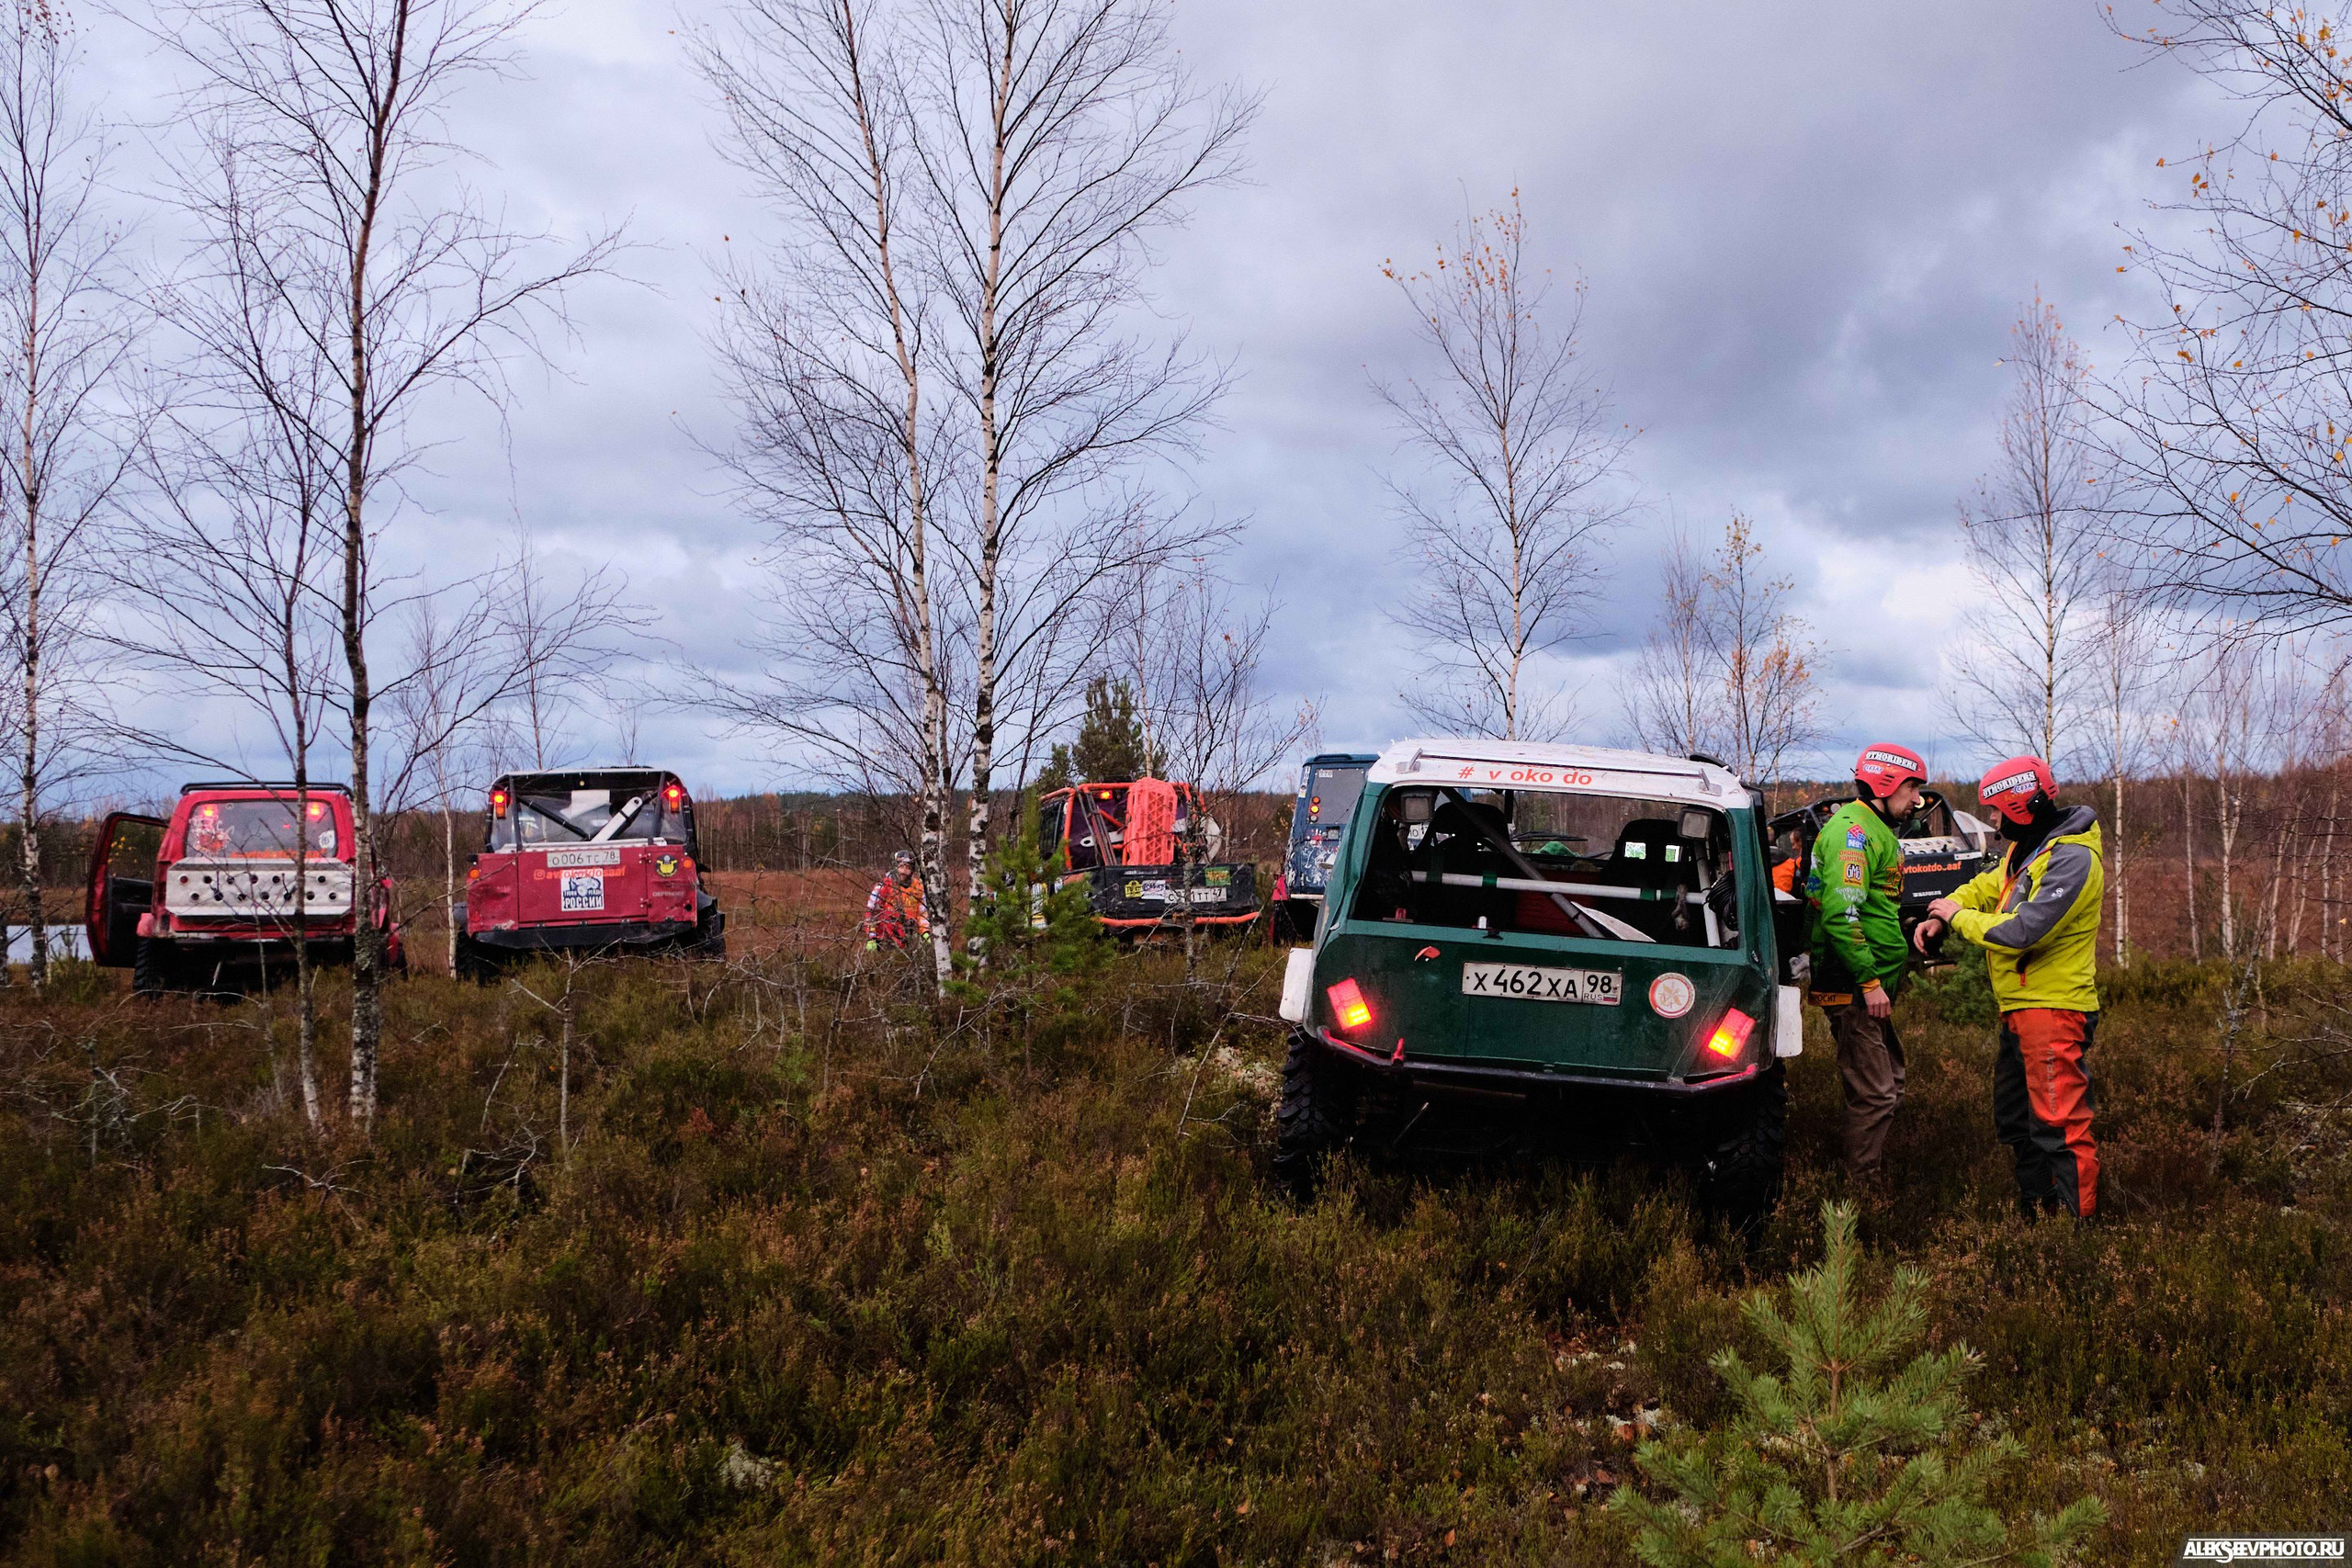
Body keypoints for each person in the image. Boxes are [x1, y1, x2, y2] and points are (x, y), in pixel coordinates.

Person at [1914, 755, 2104, 1220]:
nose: (1994, 822)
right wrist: (1944, 911)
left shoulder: (2072, 859)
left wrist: (1957, 920)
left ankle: (2081, 1234)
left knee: (2060, 1127)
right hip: (2021, 1011)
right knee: (2018, 1122)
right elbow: (1983, 886)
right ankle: (2037, 1217)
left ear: (2023, 806)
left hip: (2053, 1012)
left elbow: (2024, 931)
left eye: (1997, 811)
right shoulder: (2031, 850)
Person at [1807, 743, 1928, 1189]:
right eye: (1912, 787)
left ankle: (1866, 1173)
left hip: (1869, 984)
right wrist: (1871, 980)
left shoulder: (1876, 830)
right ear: (1885, 784)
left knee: (1889, 1082)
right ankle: (1862, 1193)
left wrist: (1913, 925)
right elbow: (1842, 914)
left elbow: (1875, 905)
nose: (1916, 799)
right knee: (1878, 1094)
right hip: (1854, 984)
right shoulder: (1851, 834)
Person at [864, 850, 931, 953]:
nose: (904, 871)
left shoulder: (918, 887)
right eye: (901, 867)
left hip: (910, 938)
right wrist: (872, 937)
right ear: (896, 867)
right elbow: (871, 911)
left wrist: (925, 932)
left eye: (908, 868)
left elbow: (922, 914)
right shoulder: (883, 886)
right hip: (886, 938)